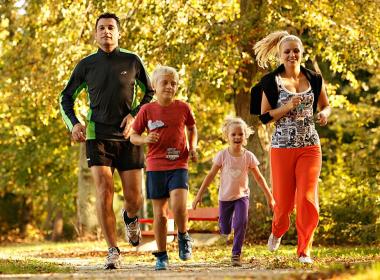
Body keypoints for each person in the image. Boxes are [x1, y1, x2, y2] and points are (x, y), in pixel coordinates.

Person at [59, 13, 154, 269]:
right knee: (104, 191)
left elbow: (151, 93)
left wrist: (135, 117)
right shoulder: (86, 65)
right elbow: (65, 98)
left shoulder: (133, 61)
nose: (106, 32)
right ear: (95, 33)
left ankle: (130, 218)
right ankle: (112, 250)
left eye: (111, 27)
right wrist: (75, 123)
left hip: (127, 138)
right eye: (101, 28)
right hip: (97, 135)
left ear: (118, 32)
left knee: (135, 199)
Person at [253, 31, 331, 264]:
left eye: (295, 50)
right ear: (280, 55)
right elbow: (265, 117)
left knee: (307, 200)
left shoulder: (314, 78)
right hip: (282, 148)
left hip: (309, 146)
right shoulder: (270, 82)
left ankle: (304, 250)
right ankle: (277, 230)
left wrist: (324, 115)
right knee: (284, 204)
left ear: (301, 53)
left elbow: (326, 106)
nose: (292, 54)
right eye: (287, 51)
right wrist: (286, 106)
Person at [129, 65, 198, 270]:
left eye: (173, 83)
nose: (169, 86)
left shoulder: (183, 107)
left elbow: (192, 128)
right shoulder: (147, 110)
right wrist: (145, 138)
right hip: (155, 165)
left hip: (179, 163)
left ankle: (183, 235)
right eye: (164, 83)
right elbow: (133, 136)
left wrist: (193, 147)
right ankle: (161, 254)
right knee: (159, 214)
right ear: (154, 85)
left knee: (178, 206)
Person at [192, 117, 275, 267]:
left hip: (242, 196)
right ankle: (224, 225)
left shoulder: (248, 156)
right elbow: (210, 175)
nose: (237, 137)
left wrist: (270, 197)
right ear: (227, 136)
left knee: (241, 222)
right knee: (225, 228)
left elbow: (259, 177)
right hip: (225, 197)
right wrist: (199, 195)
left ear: (245, 136)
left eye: (240, 134)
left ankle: (236, 254)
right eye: (233, 134)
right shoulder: (222, 155)